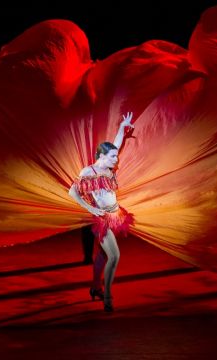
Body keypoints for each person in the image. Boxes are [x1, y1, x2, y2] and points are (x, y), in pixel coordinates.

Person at [68, 112, 135, 312]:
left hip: (116, 216)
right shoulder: (89, 172)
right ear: (102, 156)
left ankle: (95, 287)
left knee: (103, 256)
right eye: (112, 156)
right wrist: (90, 208)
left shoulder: (109, 169)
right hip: (102, 220)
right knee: (114, 256)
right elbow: (72, 191)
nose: (116, 159)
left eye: (116, 156)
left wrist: (122, 128)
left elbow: (115, 145)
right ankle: (107, 296)